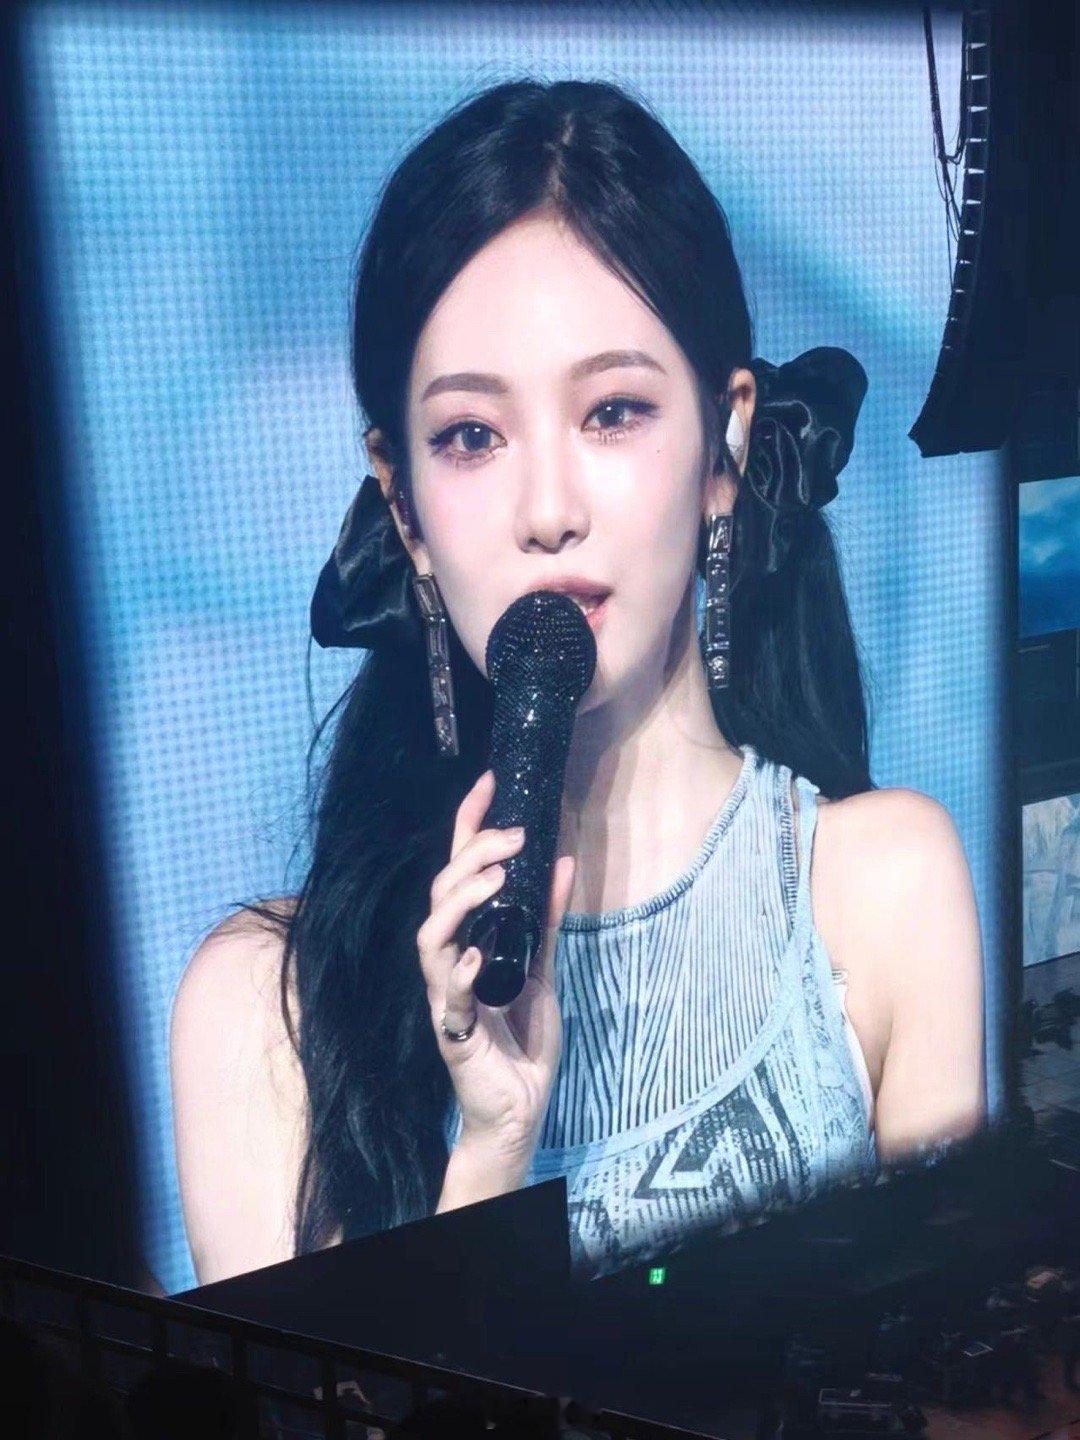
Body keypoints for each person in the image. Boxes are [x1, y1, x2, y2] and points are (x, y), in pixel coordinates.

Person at [169, 79, 986, 1287]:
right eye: (472, 437)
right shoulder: (263, 1012)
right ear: (403, 505)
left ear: (725, 443)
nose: (548, 510)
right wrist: (490, 1150)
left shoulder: (882, 891)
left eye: (612, 412)